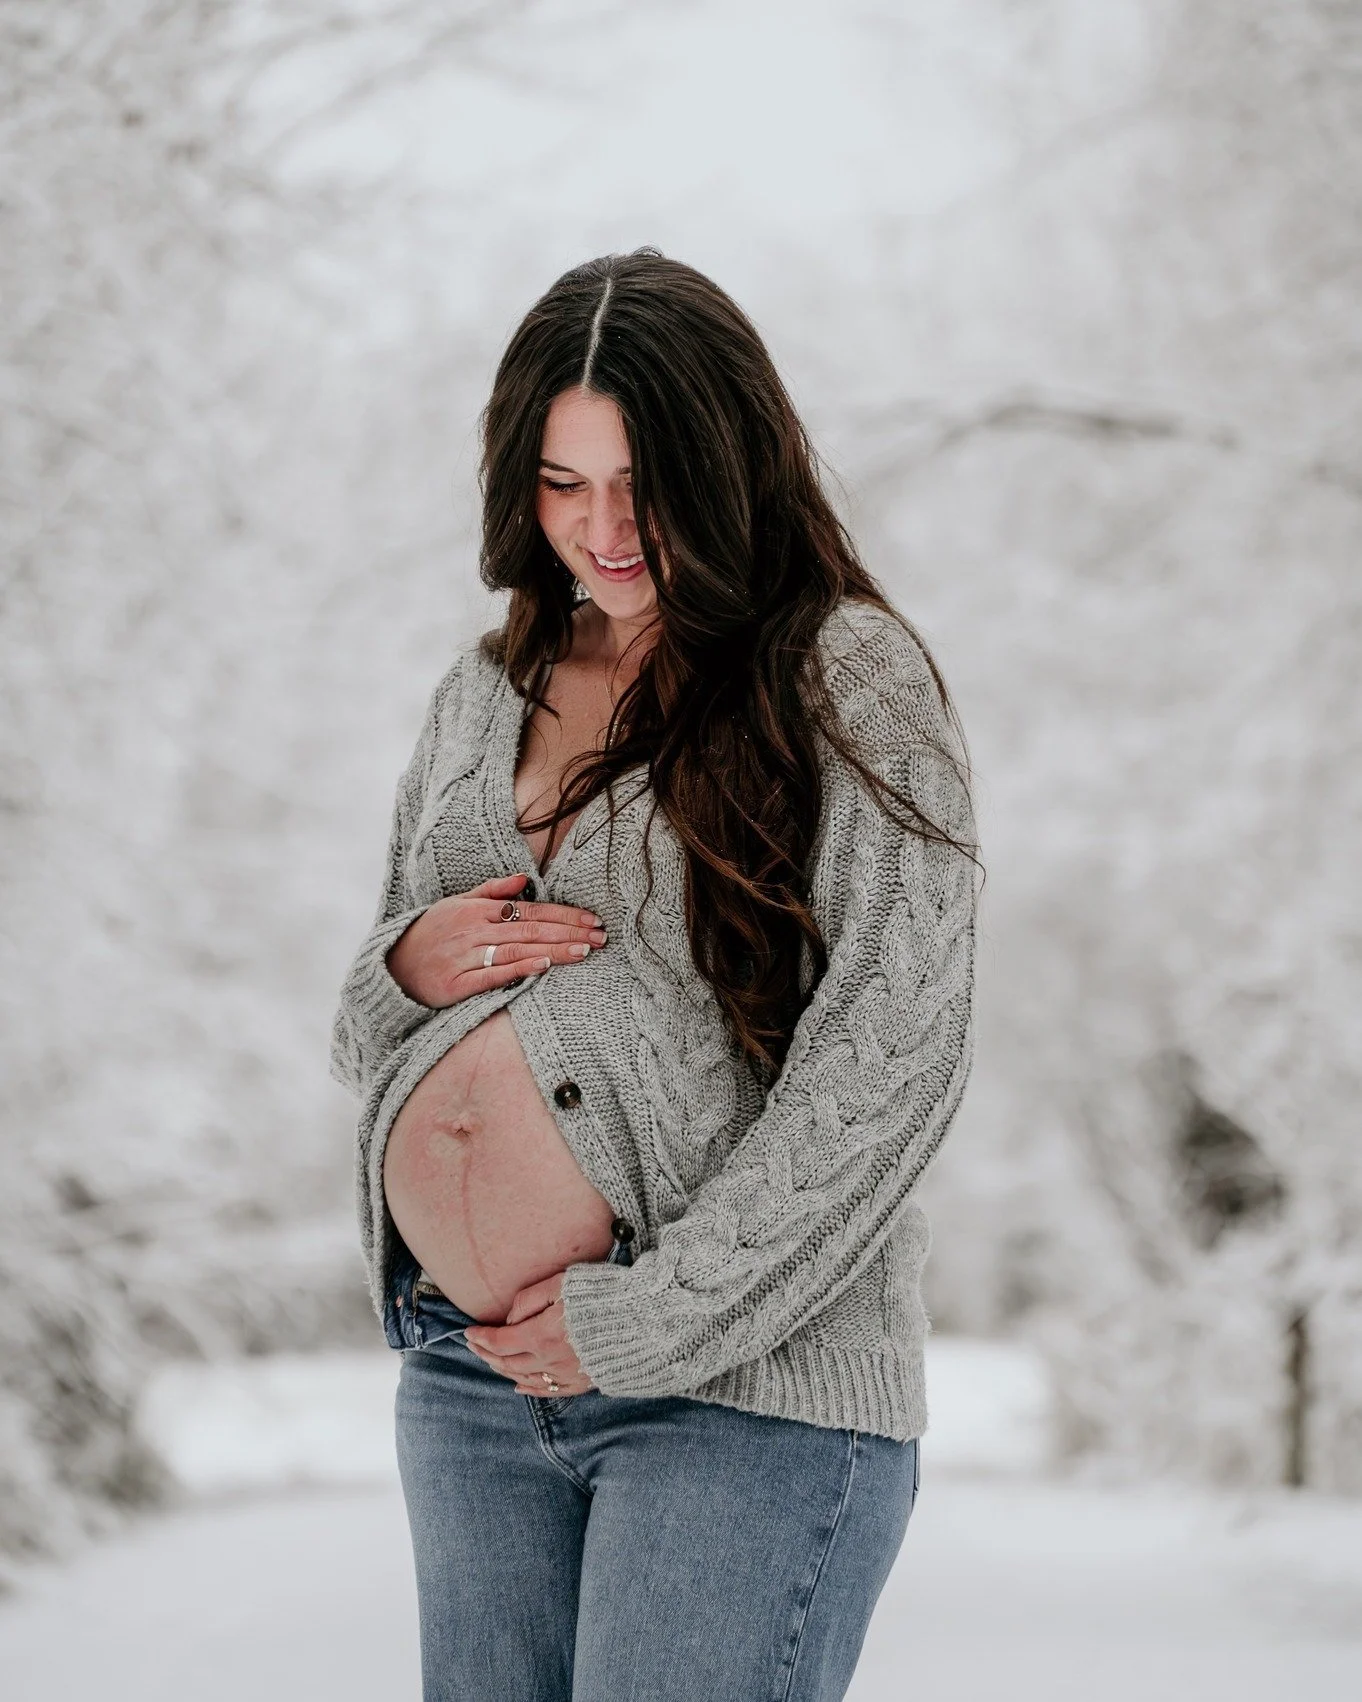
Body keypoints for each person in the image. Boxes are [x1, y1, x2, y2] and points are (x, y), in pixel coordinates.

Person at [330, 248, 978, 1702]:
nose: (602, 528)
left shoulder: (840, 673)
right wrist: (404, 966)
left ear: (732, 457)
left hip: (741, 1388)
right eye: (563, 483)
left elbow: (897, 1053)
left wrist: (655, 1312)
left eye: (642, 481)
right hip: (471, 1376)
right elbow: (366, 1018)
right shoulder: (479, 688)